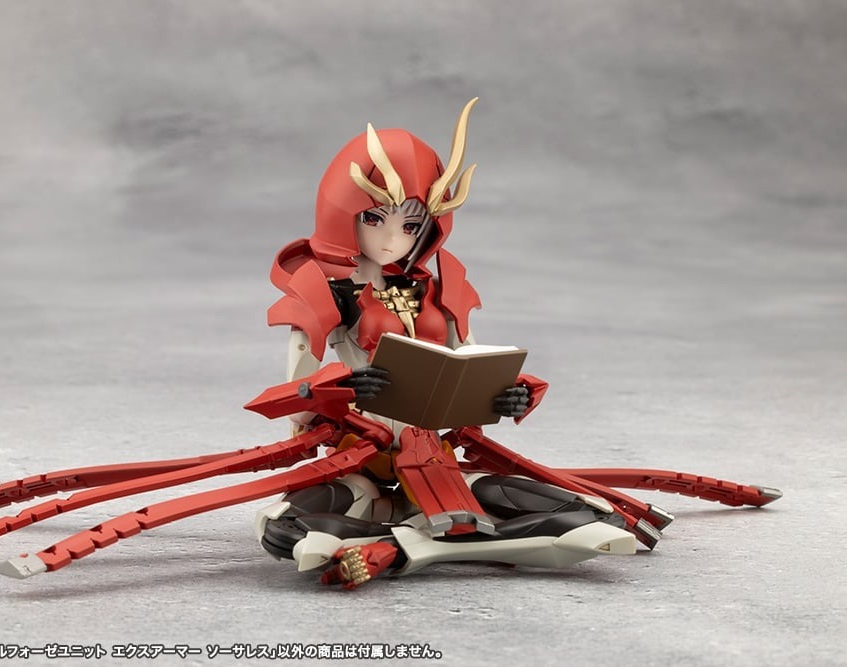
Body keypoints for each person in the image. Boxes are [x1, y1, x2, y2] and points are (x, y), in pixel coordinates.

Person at [256, 99, 636, 589]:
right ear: (343, 213)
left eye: (410, 226)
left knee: (588, 511)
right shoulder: (325, 291)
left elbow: (469, 364)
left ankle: (402, 547)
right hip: (361, 459)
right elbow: (296, 396)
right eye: (375, 218)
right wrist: (343, 387)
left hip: (436, 457)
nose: (392, 239)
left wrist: (506, 392)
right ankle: (445, 541)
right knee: (283, 527)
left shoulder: (442, 287)